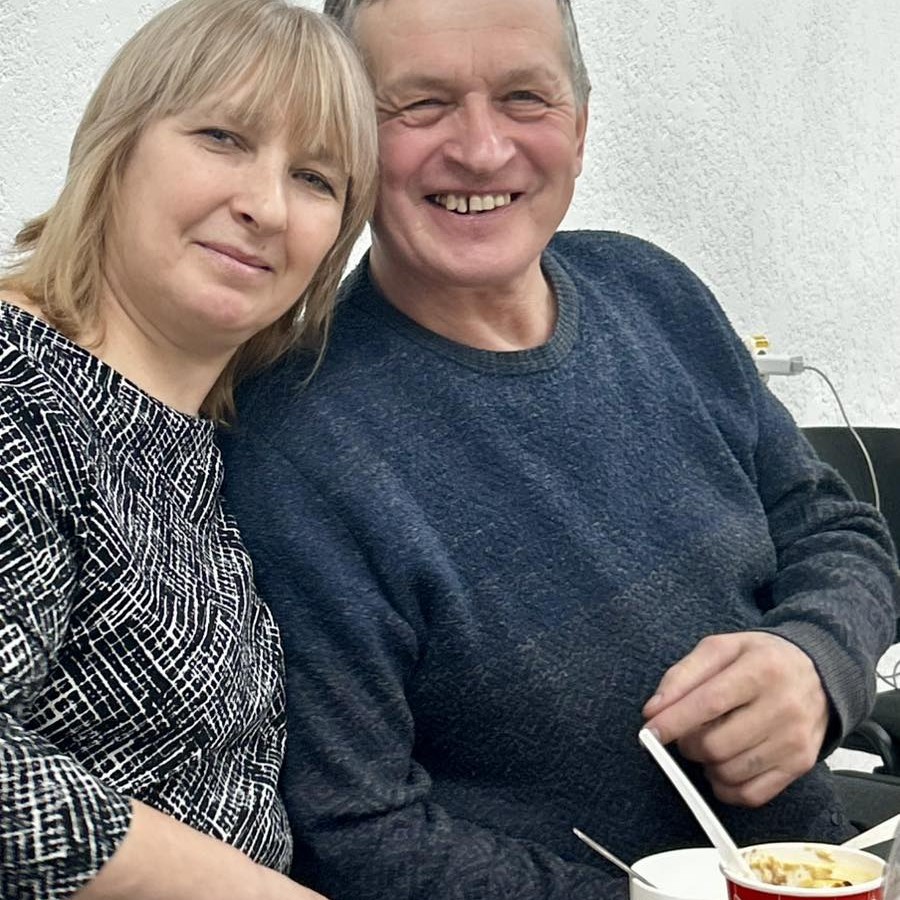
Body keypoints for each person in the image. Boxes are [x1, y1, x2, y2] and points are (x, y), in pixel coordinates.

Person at [218, 0, 899, 897]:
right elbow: (352, 831)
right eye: (420, 104)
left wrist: (818, 660)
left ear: (578, 126)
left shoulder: (654, 291)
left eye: (524, 97)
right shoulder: (292, 444)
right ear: (346, 142)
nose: (481, 149)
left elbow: (836, 529)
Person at [0, 0, 377, 898]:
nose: (265, 206)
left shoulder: (204, 444)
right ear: (117, 146)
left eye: (315, 179)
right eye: (222, 137)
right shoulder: (19, 387)